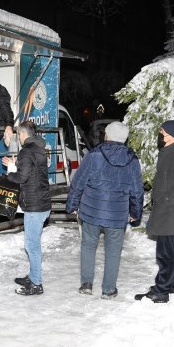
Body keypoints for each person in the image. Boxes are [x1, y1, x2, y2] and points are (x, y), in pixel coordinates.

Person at [66, 121, 144, 299]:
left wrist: (72, 205)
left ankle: (86, 284)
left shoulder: (94, 155)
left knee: (88, 245)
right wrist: (135, 214)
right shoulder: (132, 159)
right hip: (117, 215)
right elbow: (137, 191)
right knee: (114, 250)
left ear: (107, 135)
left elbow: (78, 182)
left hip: (91, 211)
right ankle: (108, 290)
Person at [135, 120, 174, 303]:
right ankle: (172, 284)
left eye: (161, 131)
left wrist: (166, 200)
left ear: (171, 134)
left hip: (172, 211)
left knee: (166, 253)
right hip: (167, 210)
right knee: (173, 250)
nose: (159, 134)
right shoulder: (169, 151)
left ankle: (161, 290)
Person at [2, 121, 51, 296]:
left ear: (23, 134)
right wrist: (15, 163)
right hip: (41, 202)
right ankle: (33, 275)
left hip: (34, 206)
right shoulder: (39, 149)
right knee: (33, 243)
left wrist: (9, 174)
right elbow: (31, 172)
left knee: (32, 246)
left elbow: (21, 177)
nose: (18, 138)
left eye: (18, 135)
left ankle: (36, 284)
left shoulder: (26, 151)